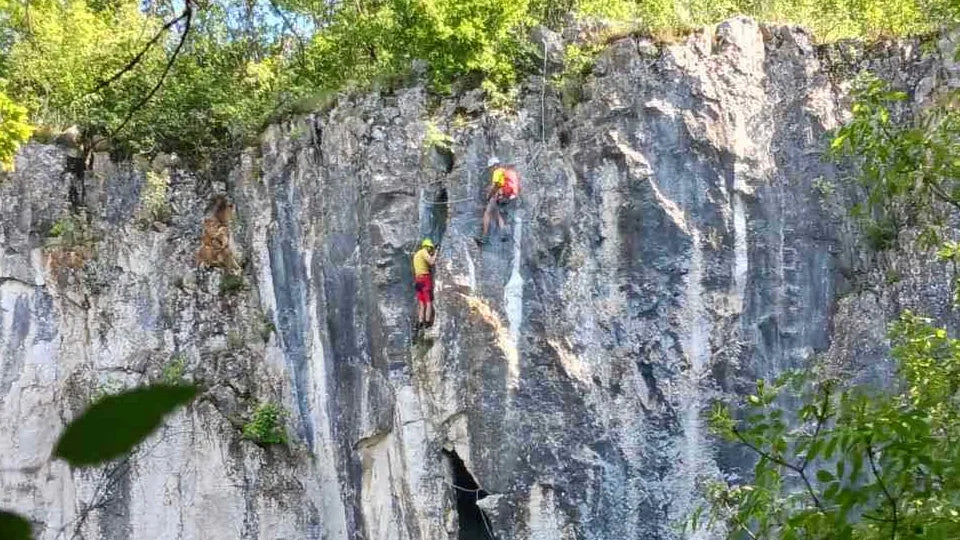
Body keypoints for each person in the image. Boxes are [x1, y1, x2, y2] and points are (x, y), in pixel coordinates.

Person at [477, 157, 520, 244]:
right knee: (497, 213)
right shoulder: (506, 172)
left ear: (494, 166)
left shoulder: (497, 172)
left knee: (487, 213)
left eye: (490, 168)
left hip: (500, 196)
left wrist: (489, 196)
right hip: (509, 197)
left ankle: (484, 237)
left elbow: (496, 185)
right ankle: (504, 233)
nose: (490, 170)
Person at [412, 238, 437, 329]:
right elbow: (432, 262)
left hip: (417, 280)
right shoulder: (423, 252)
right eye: (430, 248)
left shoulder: (416, 255)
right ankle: (427, 322)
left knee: (422, 303)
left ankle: (420, 322)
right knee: (428, 302)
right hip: (424, 279)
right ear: (427, 247)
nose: (430, 251)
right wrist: (436, 253)